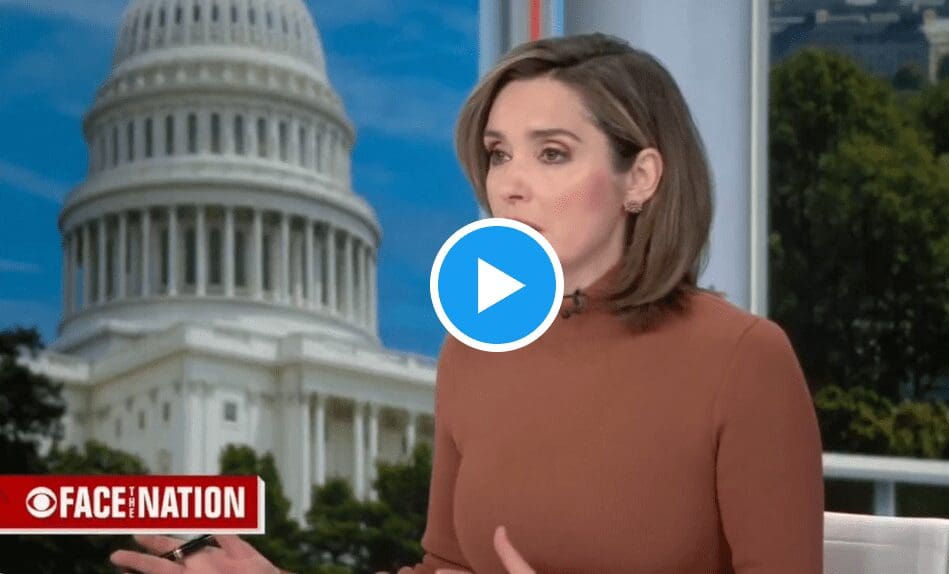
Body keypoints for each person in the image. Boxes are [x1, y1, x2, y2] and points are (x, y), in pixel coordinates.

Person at [110, 33, 824, 574]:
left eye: (551, 153)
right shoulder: (478, 346)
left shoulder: (742, 360)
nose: (509, 184)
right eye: (498, 153)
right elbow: (448, 569)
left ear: (639, 178)